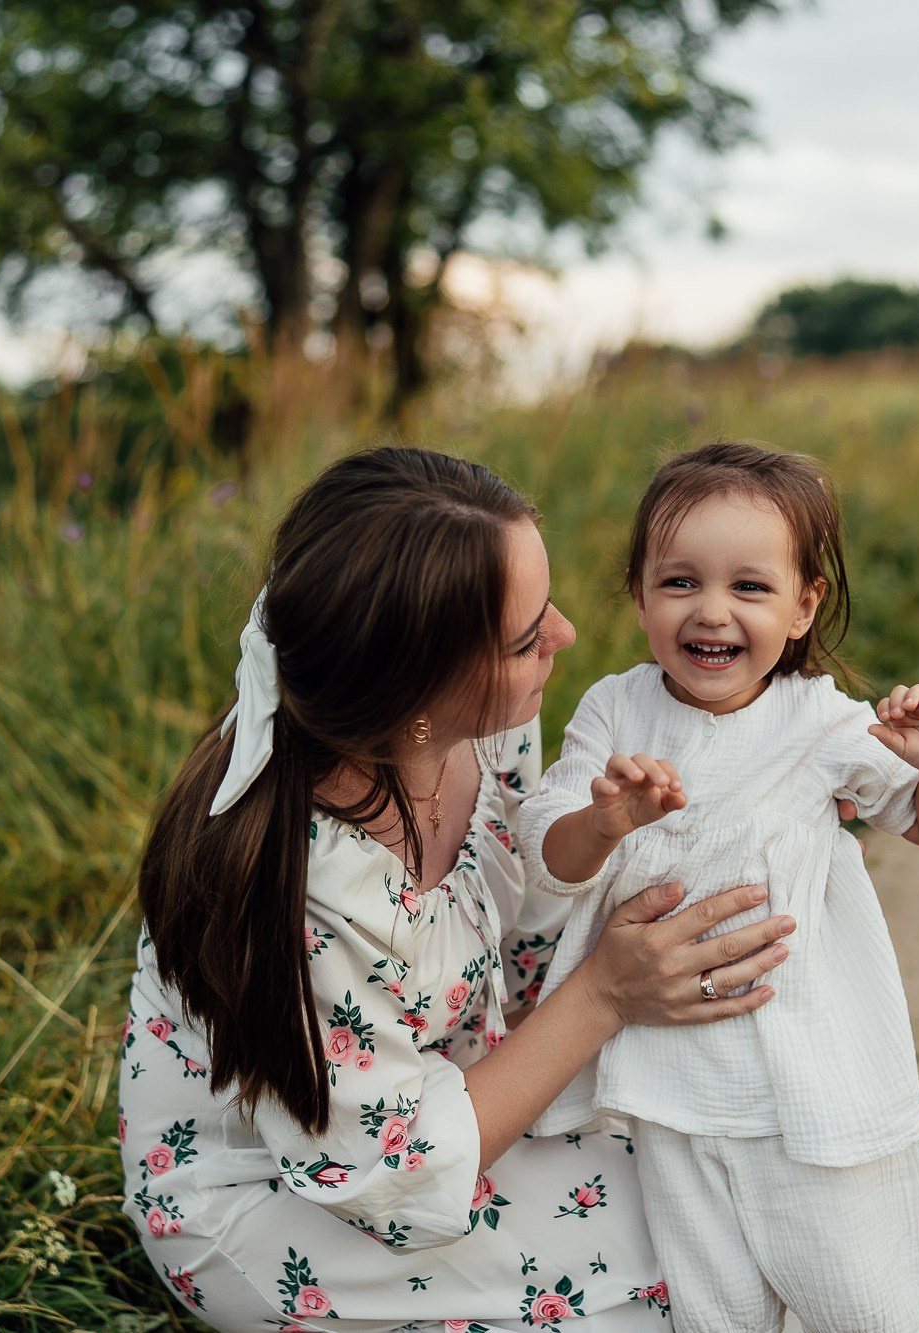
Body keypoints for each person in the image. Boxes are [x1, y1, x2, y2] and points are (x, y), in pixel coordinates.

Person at [121, 447, 803, 1331]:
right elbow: (394, 1174)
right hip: (299, 1195)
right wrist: (604, 996)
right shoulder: (301, 885)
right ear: (422, 690)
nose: (563, 633)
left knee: (739, 1201)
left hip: (457, 1084)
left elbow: (521, 939)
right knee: (674, 1288)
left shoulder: (479, 727)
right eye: (526, 637)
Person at [520, 441, 919, 1333]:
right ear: (641, 594)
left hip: (804, 1072)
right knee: (712, 1305)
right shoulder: (616, 710)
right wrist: (605, 822)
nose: (713, 611)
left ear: (805, 607)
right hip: (670, 1082)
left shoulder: (822, 723)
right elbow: (548, 849)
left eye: (751, 587)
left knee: (858, 1297)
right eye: (681, 581)